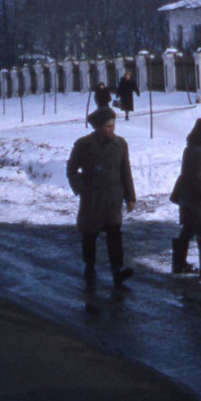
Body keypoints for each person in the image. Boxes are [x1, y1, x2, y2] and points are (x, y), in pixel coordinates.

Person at [66, 107, 137, 289]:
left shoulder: (120, 144)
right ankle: (89, 266)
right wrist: (82, 189)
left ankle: (117, 270)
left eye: (113, 125)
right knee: (90, 234)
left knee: (115, 233)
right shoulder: (84, 145)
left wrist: (130, 196)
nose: (112, 129)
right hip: (93, 198)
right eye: (107, 126)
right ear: (97, 127)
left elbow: (125, 171)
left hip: (113, 197)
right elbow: (71, 170)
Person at [169, 118, 201, 276]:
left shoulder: (194, 148)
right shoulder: (197, 151)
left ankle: (179, 263)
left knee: (189, 228)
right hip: (196, 199)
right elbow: (194, 178)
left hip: (189, 197)